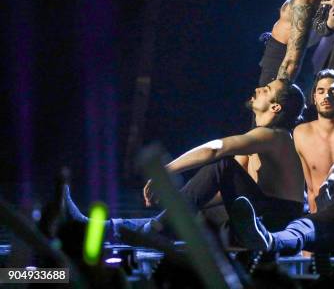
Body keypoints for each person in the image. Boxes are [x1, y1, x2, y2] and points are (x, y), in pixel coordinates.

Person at [64, 79, 307, 238]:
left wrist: (165, 172)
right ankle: (94, 227)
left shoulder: (273, 136)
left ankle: (152, 228)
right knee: (187, 218)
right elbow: (226, 191)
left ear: (275, 108)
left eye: (266, 90)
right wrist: (187, 204)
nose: (258, 89)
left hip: (276, 223)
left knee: (222, 164)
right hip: (262, 215)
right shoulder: (268, 140)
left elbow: (215, 149)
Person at [231, 69, 334, 254]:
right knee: (305, 230)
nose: (326, 96)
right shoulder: (301, 133)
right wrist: (309, 251)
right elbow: (312, 190)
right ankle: (270, 241)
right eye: (320, 91)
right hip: (326, 220)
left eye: (333, 91)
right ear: (313, 97)